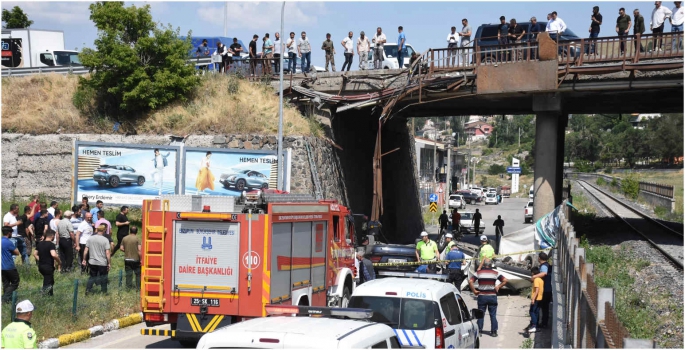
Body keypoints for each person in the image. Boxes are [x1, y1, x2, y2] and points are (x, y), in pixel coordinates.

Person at [468, 259, 508, 337]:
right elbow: (505, 280)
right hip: (492, 296)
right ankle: (494, 331)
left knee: (481, 314)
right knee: (493, 314)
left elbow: (470, 281)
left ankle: (479, 331)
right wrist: (498, 286)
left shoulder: (478, 273)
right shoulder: (495, 273)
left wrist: (474, 291)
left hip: (482, 296)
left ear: (484, 265)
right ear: (491, 265)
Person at [83, 224, 111, 294]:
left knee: (92, 277)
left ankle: (88, 290)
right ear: (104, 230)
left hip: (92, 262)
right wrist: (109, 263)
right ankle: (104, 292)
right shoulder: (105, 240)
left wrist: (84, 259)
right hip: (102, 262)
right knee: (103, 277)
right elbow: (107, 253)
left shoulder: (90, 238)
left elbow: (86, 250)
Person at [33, 230, 60, 296]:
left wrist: (41, 259)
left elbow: (35, 254)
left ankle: (50, 295)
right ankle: (44, 296)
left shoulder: (40, 244)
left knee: (50, 281)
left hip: (41, 266)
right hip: (48, 266)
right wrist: (59, 262)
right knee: (47, 282)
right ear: (52, 236)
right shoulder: (51, 244)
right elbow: (53, 254)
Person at [530, 252, 553, 329]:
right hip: (548, 289)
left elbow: (544, 273)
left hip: (545, 290)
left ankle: (538, 323)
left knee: (540, 308)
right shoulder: (548, 265)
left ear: (539, 258)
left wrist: (534, 276)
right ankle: (542, 323)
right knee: (544, 308)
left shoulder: (544, 266)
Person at [1, 226, 20, 303]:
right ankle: (5, 297)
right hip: (9, 266)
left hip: (1, 267)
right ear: (9, 233)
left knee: (6, 283)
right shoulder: (8, 242)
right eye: (11, 232)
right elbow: (17, 252)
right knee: (15, 282)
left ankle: (7, 300)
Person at [120, 226, 141, 291]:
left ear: (130, 231)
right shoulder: (137, 239)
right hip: (136, 259)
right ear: (136, 231)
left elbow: (121, 248)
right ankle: (138, 288)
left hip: (127, 259)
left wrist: (126, 251)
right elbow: (139, 250)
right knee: (138, 274)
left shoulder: (124, 238)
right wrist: (141, 259)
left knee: (129, 274)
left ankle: (128, 288)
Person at [524, 266, 544, 334]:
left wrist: (533, 299)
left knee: (531, 311)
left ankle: (534, 326)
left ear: (533, 273)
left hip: (536, 298)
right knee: (536, 312)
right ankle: (536, 326)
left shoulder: (536, 280)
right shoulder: (541, 279)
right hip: (540, 298)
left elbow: (537, 290)